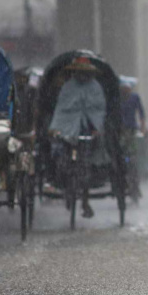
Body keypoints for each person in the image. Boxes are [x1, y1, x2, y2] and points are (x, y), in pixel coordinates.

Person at [49, 57, 107, 218]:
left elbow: (99, 110)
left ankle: (85, 201)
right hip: (67, 130)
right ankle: (66, 188)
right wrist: (56, 128)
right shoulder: (68, 87)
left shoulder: (96, 88)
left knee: (86, 166)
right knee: (62, 160)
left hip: (87, 131)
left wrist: (96, 129)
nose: (82, 75)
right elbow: (61, 109)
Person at [120, 78, 146, 202]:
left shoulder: (135, 98)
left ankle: (135, 186)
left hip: (131, 131)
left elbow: (141, 114)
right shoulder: (117, 98)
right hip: (119, 131)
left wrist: (143, 128)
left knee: (133, 158)